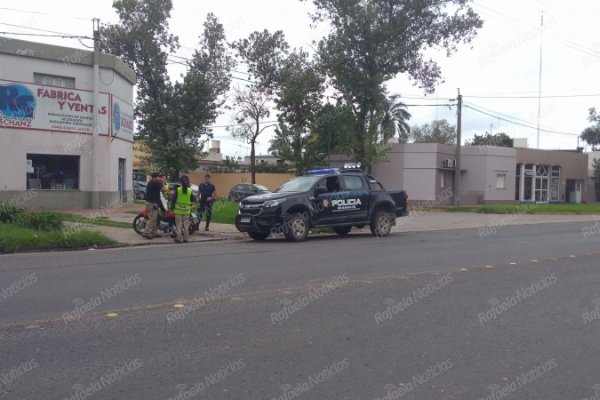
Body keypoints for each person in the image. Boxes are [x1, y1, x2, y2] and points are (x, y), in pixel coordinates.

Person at [171, 175, 194, 243]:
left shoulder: (178, 190)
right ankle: (186, 238)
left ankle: (179, 238)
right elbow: (192, 199)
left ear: (181, 182)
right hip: (186, 211)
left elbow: (174, 199)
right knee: (186, 225)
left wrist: (172, 207)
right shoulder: (190, 190)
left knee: (179, 225)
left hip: (178, 211)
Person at [142, 172, 164, 239]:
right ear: (156, 177)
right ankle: (146, 232)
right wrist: (162, 181)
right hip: (151, 203)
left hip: (153, 202)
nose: (159, 178)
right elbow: (161, 188)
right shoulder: (154, 182)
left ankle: (154, 232)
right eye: (159, 177)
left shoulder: (152, 182)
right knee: (152, 218)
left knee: (155, 218)